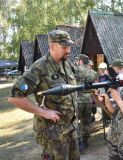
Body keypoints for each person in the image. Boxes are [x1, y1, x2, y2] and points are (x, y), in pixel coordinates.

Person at [8, 30, 80, 160]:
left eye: (69, 47)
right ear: (52, 46)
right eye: (64, 47)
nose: (68, 51)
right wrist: (43, 112)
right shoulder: (39, 67)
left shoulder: (67, 64)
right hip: (53, 133)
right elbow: (14, 96)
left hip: (71, 128)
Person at [74, 54, 98, 152]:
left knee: (75, 121)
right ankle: (85, 141)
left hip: (78, 99)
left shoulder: (76, 69)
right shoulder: (93, 72)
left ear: (80, 60)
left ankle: (78, 142)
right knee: (86, 122)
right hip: (88, 99)